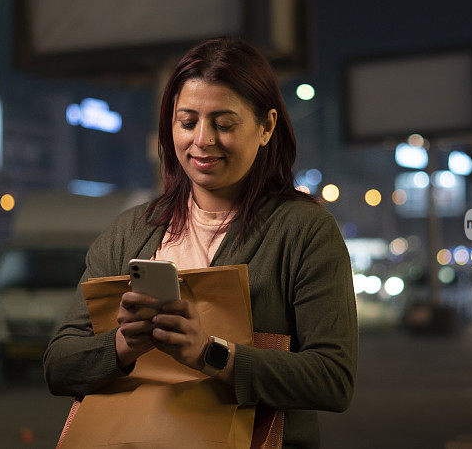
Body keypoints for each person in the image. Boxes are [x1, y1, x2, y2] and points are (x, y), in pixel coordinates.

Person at [44, 36, 358, 448]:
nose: (203, 140)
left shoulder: (304, 231)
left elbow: (333, 379)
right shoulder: (129, 232)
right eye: (187, 121)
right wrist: (124, 344)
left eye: (224, 124)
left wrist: (212, 353)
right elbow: (58, 364)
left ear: (266, 127)